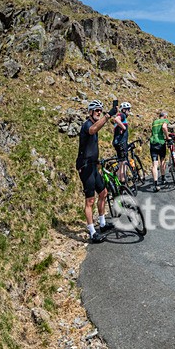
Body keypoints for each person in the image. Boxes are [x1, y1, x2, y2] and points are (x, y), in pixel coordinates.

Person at [76, 100, 117, 243]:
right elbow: (93, 130)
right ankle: (92, 232)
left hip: (93, 166)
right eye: (97, 110)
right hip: (85, 167)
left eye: (100, 110)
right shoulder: (87, 125)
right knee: (90, 200)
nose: (99, 112)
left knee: (103, 193)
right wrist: (108, 115)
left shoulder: (95, 125)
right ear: (90, 112)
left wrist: (98, 161)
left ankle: (103, 223)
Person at [150, 111, 172, 192]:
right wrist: (167, 137)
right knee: (162, 160)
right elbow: (164, 127)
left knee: (154, 164)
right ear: (165, 116)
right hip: (160, 143)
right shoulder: (165, 120)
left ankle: (155, 184)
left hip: (153, 143)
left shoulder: (154, 122)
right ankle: (163, 178)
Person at [112, 101, 132, 182]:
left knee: (121, 162)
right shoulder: (122, 115)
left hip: (117, 143)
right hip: (121, 143)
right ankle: (123, 181)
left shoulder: (122, 117)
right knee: (124, 162)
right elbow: (116, 119)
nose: (129, 112)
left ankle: (120, 182)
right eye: (128, 110)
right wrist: (123, 127)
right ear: (124, 110)